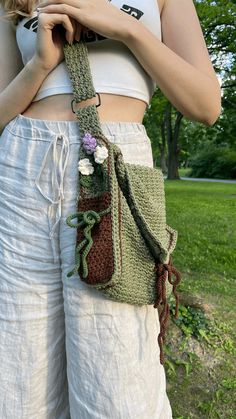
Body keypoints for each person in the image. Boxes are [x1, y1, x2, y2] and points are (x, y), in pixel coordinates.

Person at [0, 0, 221, 418]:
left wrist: (127, 28)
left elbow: (206, 106)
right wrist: (40, 65)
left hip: (117, 168)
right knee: (16, 357)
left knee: (118, 373)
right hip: (23, 168)